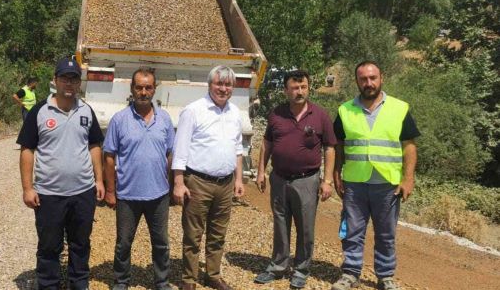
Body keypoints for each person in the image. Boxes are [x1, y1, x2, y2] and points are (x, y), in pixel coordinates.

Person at [17, 57, 105, 290]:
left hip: (83, 193)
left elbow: (95, 145)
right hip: (48, 194)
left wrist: (99, 180)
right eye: (64, 78)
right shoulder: (39, 111)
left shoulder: (86, 111)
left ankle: (79, 284)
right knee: (49, 247)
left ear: (79, 83)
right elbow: (27, 150)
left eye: (74, 78)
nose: (69, 83)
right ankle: (48, 285)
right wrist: (28, 188)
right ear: (55, 81)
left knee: (80, 244)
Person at [331, 61, 419, 290]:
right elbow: (339, 145)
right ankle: (350, 273)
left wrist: (408, 179)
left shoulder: (399, 108)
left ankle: (385, 276)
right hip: (355, 183)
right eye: (363, 79)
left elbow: (409, 146)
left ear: (381, 78)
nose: (368, 83)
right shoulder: (345, 110)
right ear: (357, 81)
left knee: (386, 234)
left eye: (373, 78)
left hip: (387, 185)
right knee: (352, 231)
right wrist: (336, 173)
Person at [254, 70, 337, 288]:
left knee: (305, 227)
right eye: (294, 88)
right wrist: (261, 171)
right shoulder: (276, 114)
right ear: (286, 90)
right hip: (279, 179)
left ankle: (301, 269)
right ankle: (278, 266)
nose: (299, 92)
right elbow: (266, 144)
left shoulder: (320, 115)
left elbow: (329, 148)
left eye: (303, 87)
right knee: (280, 224)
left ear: (308, 88)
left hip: (307, 180)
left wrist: (327, 180)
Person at [172, 65, 245, 290]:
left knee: (218, 233)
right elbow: (180, 149)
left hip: (225, 183)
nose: (223, 88)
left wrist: (239, 179)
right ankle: (188, 280)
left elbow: (238, 149)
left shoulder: (235, 113)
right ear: (209, 84)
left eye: (227, 84)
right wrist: (178, 182)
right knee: (193, 235)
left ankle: (212, 275)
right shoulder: (193, 110)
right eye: (219, 83)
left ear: (233, 87)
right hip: (198, 182)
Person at [103, 67, 175, 290]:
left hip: (159, 194)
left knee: (161, 243)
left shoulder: (164, 119)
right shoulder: (119, 120)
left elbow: (171, 153)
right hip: (127, 195)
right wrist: (110, 191)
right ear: (132, 88)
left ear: (155, 89)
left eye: (148, 87)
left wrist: (172, 187)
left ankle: (162, 281)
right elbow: (109, 157)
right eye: (139, 87)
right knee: (123, 243)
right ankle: (121, 281)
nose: (143, 92)